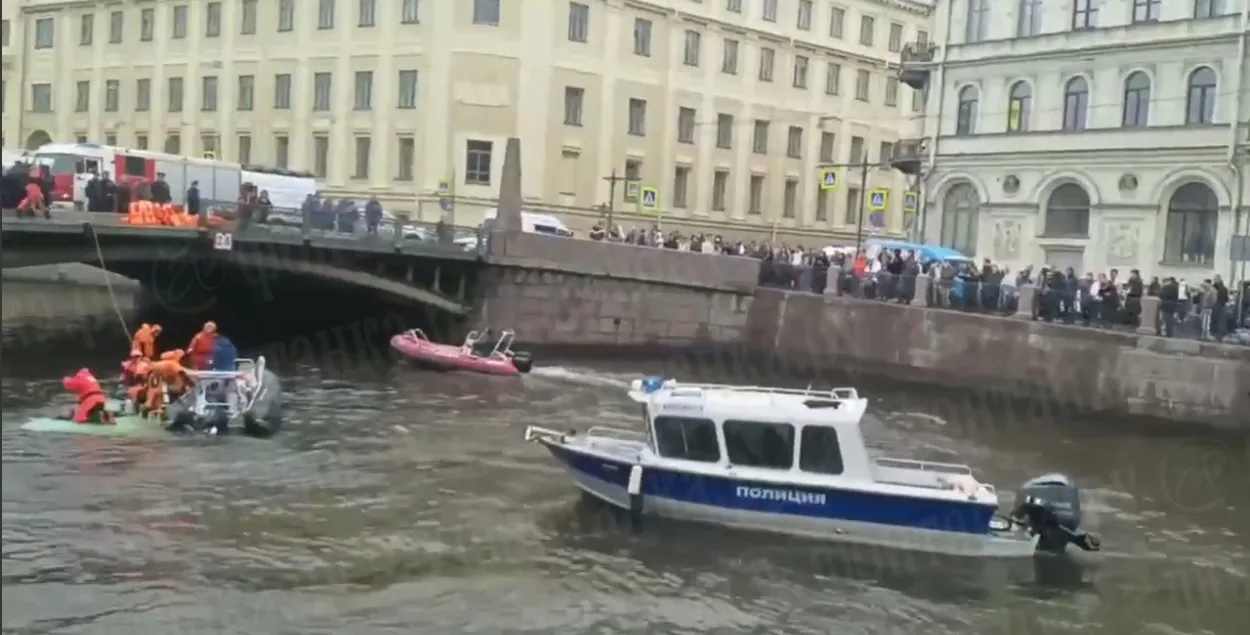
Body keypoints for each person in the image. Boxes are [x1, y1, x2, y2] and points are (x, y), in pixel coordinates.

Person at [144, 350, 195, 416]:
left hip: (159, 388)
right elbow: (181, 373)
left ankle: (158, 409)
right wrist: (191, 384)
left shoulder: (157, 364)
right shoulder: (171, 364)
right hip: (170, 388)